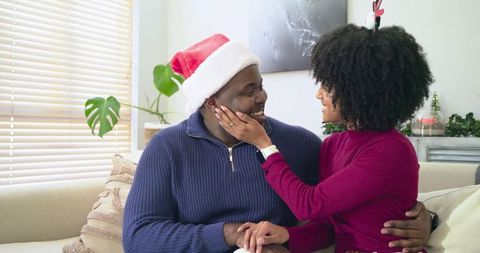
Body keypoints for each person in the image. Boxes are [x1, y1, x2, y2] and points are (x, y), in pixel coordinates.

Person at [123, 33, 432, 253]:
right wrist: (229, 234)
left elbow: (353, 204)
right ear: (211, 102)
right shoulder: (166, 148)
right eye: (248, 92)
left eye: (261, 86)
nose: (262, 98)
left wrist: (426, 218)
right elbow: (138, 237)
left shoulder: (300, 144)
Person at [215, 25, 434, 253]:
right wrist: (287, 235)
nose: (318, 94)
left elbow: (308, 205)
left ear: (358, 91)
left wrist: (264, 145)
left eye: (327, 86)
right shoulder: (332, 145)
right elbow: (327, 227)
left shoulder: (390, 150)